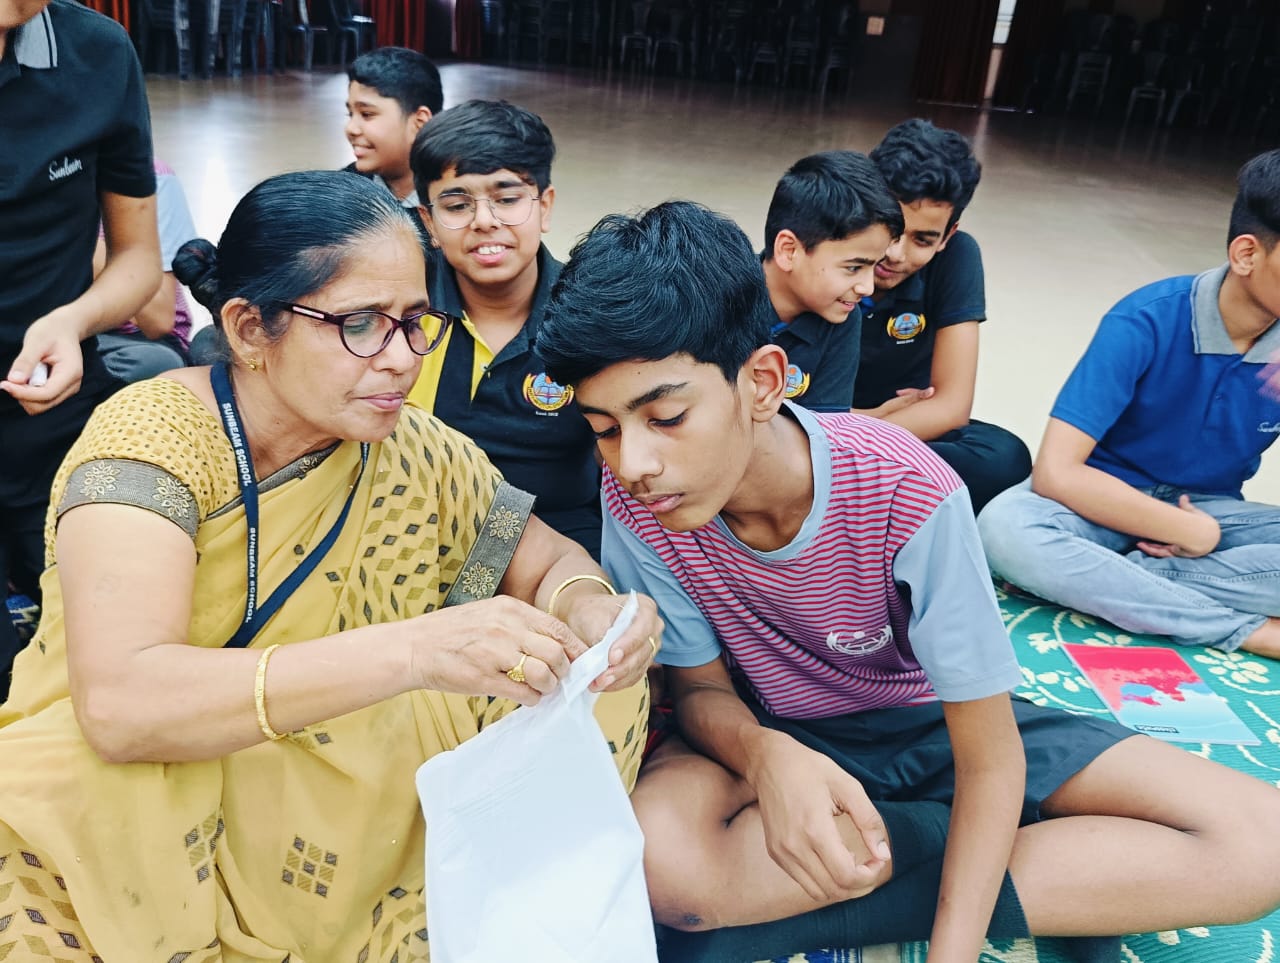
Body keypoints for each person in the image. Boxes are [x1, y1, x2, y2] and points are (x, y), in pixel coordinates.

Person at [535, 200, 1280, 962]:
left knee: (1261, 841)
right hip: (773, 727)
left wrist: (953, 949)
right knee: (668, 862)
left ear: (762, 382)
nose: (632, 460)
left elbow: (988, 757)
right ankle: (1022, 860)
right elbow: (700, 692)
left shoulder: (904, 487)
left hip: (932, 725)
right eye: (603, 428)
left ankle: (912, 862)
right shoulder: (639, 495)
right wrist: (770, 757)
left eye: (664, 418)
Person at [0, 170, 659, 958]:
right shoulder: (156, 440)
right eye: (360, 324)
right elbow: (121, 703)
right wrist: (415, 651)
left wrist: (588, 606)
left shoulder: (412, 445)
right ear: (248, 330)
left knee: (599, 697)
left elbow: (545, 556)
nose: (401, 359)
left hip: (346, 757)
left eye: (416, 322)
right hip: (160, 767)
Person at [979, 149, 1280, 657]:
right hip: (1099, 504)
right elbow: (1057, 471)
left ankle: (1116, 583)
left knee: (1047, 558)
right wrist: (1192, 532)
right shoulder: (1147, 318)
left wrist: (1201, 526)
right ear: (1246, 255)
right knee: (1004, 531)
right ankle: (1245, 630)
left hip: (1208, 510)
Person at [0, 0, 160, 697]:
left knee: (83, 663)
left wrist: (72, 320)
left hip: (51, 419)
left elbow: (138, 262)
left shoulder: (97, 53)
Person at [408, 100, 604, 557]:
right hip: (419, 526)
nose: (484, 221)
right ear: (429, 222)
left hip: (561, 534)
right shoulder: (403, 309)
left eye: (507, 198)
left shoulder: (591, 314)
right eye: (456, 205)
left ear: (545, 206)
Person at [853, 119, 1031, 513]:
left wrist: (857, 436)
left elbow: (951, 406)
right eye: (892, 229)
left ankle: (840, 485)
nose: (896, 254)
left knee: (1006, 459)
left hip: (907, 427)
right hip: (818, 416)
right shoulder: (831, 239)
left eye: (923, 239)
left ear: (947, 237)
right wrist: (848, 424)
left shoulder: (958, 257)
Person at [760, 151, 903, 412]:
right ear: (789, 250)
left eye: (874, 265)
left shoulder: (844, 317)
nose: (867, 288)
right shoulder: (718, 299)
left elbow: (825, 432)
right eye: (854, 267)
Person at [95, 158, 199, 382]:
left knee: (155, 364)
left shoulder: (151, 178)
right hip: (45, 333)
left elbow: (157, 321)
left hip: (131, 339)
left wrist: (80, 236)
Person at [344, 45, 441, 250]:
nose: (351, 128)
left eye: (367, 114)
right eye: (350, 114)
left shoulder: (453, 201)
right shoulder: (343, 193)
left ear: (420, 122)